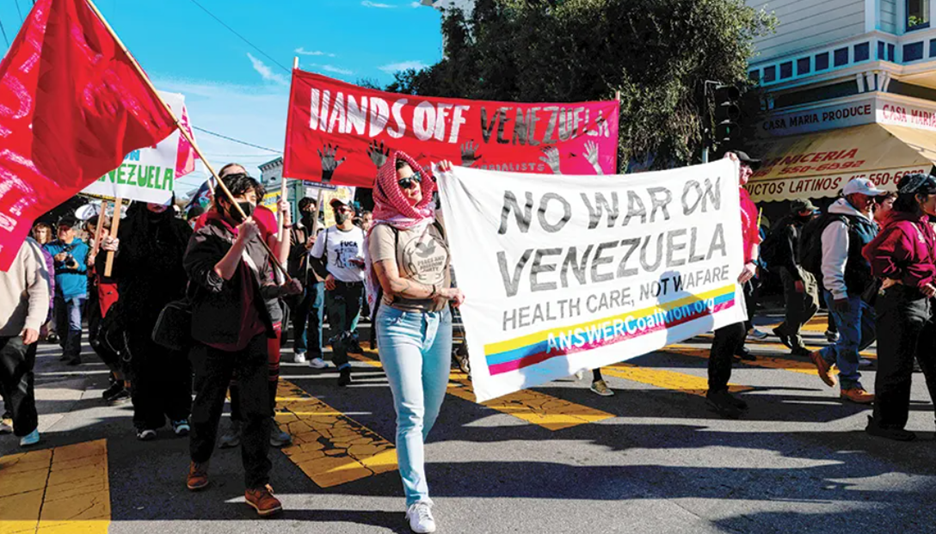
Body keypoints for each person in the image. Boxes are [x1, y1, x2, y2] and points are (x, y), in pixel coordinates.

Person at [183, 172, 301, 517]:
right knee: (207, 406)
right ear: (223, 201)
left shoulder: (256, 237)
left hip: (253, 336)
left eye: (254, 199)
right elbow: (213, 279)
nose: (250, 204)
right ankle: (199, 460)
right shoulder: (204, 235)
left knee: (257, 412)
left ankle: (257, 484)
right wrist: (239, 242)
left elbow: (262, 286)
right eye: (243, 197)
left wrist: (283, 289)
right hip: (214, 338)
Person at [366, 153, 464, 533]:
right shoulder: (383, 230)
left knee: (432, 408)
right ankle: (417, 501)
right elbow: (392, 284)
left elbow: (470, 219)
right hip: (399, 324)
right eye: (403, 182)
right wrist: (442, 291)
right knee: (411, 412)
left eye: (416, 180)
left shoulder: (434, 221)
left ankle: (408, 457)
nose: (412, 187)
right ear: (390, 189)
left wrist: (451, 181)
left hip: (439, 321)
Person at [210, 164, 294, 450]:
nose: (241, 191)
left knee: (269, 367)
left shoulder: (264, 215)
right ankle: (237, 420)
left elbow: (278, 256)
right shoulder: (208, 221)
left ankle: (267, 418)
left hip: (265, 301)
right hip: (229, 306)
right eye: (231, 180)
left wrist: (285, 222)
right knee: (234, 370)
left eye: (244, 181)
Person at [102, 199, 193, 440]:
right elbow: (107, 270)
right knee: (143, 367)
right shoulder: (123, 228)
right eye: (152, 196)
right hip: (138, 311)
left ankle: (180, 415)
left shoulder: (181, 229)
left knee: (177, 365)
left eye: (163, 196)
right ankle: (146, 419)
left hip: (174, 310)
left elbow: (193, 265)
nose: (158, 202)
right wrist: (109, 251)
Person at [863, 174, 936, 441]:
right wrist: (903, 278)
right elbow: (874, 254)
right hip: (900, 302)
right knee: (896, 366)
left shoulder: (921, 224)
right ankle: (885, 424)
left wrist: (926, 281)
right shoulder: (902, 226)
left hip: (923, 301)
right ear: (919, 198)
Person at [806, 178, 882, 404]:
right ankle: (850, 385)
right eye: (866, 196)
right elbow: (832, 262)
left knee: (867, 331)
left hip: (862, 290)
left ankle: (825, 355)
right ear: (851, 196)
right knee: (850, 339)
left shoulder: (863, 219)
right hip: (845, 291)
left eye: (873, 196)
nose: (872, 201)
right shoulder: (839, 224)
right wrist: (838, 292)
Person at [705, 151, 761, 419]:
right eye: (743, 167)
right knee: (731, 330)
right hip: (716, 275)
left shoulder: (746, 201)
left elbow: (754, 237)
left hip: (739, 277)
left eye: (750, 168)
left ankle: (719, 389)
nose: (749, 172)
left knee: (735, 332)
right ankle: (716, 391)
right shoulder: (716, 194)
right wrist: (719, 168)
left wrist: (752, 262)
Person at [309, 197, 366, 385]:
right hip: (336, 288)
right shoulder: (326, 234)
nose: (338, 213)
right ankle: (343, 367)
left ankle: (342, 348)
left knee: (349, 330)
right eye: (335, 210)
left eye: (342, 210)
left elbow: (372, 259)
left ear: (352, 213)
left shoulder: (363, 235)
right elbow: (314, 259)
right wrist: (326, 275)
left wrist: (363, 264)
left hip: (356, 287)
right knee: (338, 329)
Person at [0, 237, 50, 447]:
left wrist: (34, 321)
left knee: (16, 381)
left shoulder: (24, 244)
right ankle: (10, 414)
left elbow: (39, 286)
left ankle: (27, 427)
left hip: (14, 328)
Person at [768, 200, 821, 356]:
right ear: (801, 212)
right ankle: (796, 343)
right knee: (795, 306)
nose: (812, 214)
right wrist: (796, 278)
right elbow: (787, 256)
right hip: (792, 269)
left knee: (813, 305)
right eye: (809, 211)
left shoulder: (802, 225)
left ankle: (785, 329)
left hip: (804, 267)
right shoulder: (787, 227)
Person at [43, 216, 89, 366]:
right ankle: (65, 349)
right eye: (60, 229)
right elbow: (42, 265)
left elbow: (88, 267)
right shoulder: (49, 247)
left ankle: (74, 354)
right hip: (57, 292)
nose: (62, 231)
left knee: (74, 323)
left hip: (76, 291)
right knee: (61, 324)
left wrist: (76, 265)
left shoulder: (83, 247)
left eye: (66, 229)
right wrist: (53, 260)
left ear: (74, 232)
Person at [288, 196, 325, 366]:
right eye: (306, 208)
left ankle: (315, 353)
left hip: (317, 276)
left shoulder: (323, 230)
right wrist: (305, 247)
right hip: (299, 276)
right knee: (300, 315)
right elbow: (290, 253)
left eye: (313, 208)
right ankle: (299, 349)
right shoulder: (294, 230)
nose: (310, 211)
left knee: (316, 315)